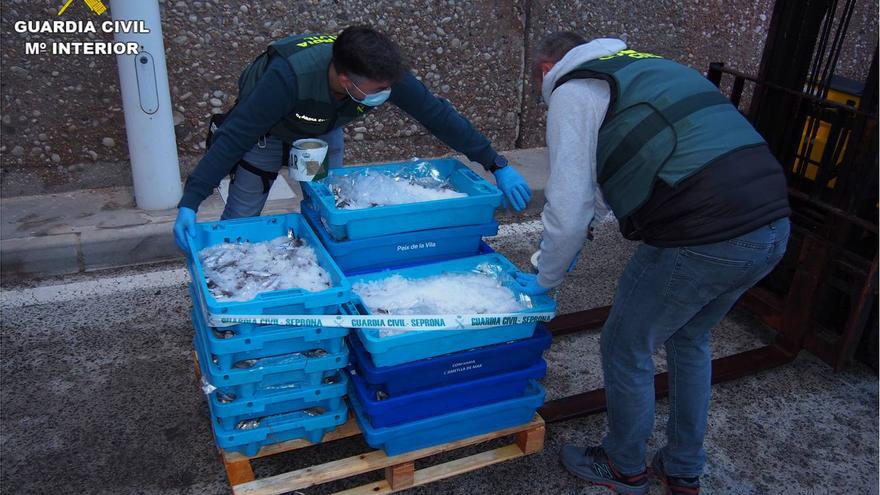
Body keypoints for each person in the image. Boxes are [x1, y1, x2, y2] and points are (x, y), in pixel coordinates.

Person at [513, 32, 791, 494]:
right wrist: (587, 220)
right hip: (772, 227)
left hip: (702, 237)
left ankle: (624, 467)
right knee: (689, 337)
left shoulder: (573, 88)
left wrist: (546, 278)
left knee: (626, 347)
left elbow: (568, 200)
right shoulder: (648, 67)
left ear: (546, 69)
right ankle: (683, 467)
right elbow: (631, 160)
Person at [173, 26, 531, 251]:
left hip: (321, 131)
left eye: (389, 87)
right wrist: (191, 201)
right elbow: (234, 137)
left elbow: (437, 115)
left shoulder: (381, 75)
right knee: (241, 220)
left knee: (329, 209)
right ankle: (230, 303)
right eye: (378, 90)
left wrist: (494, 162)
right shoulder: (287, 78)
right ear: (346, 79)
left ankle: (326, 271)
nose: (386, 94)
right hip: (265, 133)